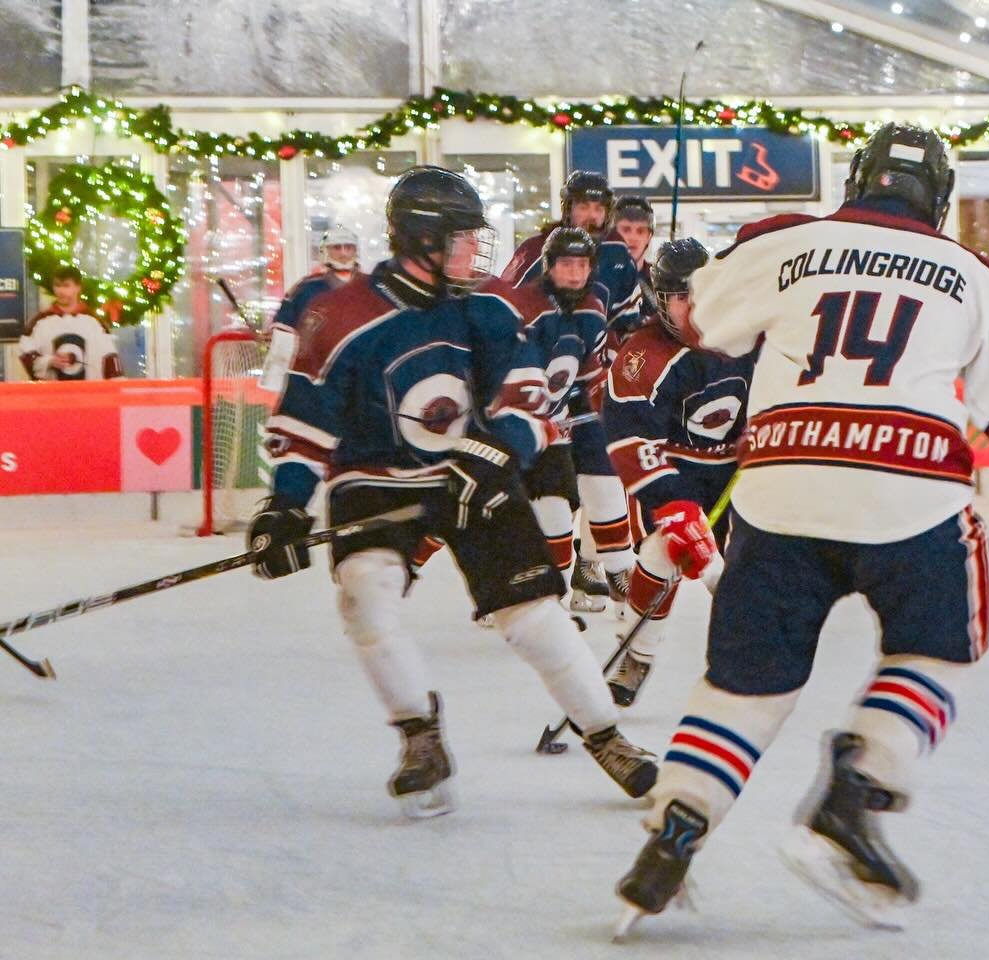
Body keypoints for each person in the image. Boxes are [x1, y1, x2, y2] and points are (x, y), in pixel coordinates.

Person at [613, 124, 989, 934]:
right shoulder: (971, 272)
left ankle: (679, 819)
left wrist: (761, 263)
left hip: (782, 490)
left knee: (748, 683)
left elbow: (707, 318)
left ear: (858, 179)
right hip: (911, 497)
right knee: (936, 650)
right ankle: (857, 787)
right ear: (939, 194)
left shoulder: (791, 243)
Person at [249, 166, 656, 818]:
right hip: (375, 483)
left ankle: (607, 735)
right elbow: (303, 422)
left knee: (532, 616)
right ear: (423, 241)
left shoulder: (488, 306)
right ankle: (419, 736)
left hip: (473, 472)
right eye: (464, 239)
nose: (476, 253)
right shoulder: (341, 315)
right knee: (366, 599)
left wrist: (493, 453)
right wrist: (285, 506)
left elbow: (527, 397)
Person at [601, 238, 752, 707]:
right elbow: (629, 438)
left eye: (700, 292)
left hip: (740, 474)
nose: (695, 306)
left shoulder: (748, 333)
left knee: (754, 565)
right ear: (659, 300)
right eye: (681, 297)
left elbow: (787, 385)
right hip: (678, 471)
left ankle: (753, 660)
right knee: (666, 549)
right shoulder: (642, 355)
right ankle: (638, 650)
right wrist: (674, 505)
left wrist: (765, 430)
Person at [502, 170, 643, 616]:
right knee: (540, 493)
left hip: (584, 380)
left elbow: (626, 324)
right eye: (583, 205)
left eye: (599, 207)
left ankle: (602, 566)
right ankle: (520, 581)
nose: (592, 215)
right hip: (532, 388)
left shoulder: (617, 255)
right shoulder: (535, 252)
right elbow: (506, 313)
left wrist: (621, 370)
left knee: (602, 474)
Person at [260, 225, 366, 391]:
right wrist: (277, 370)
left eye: (349, 247)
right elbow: (284, 330)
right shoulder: (305, 289)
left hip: (362, 372)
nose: (344, 253)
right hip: (316, 374)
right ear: (325, 251)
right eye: (337, 247)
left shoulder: (372, 287)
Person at [17, 266, 121, 381]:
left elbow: (110, 361)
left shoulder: (94, 322)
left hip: (89, 394)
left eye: (66, 285)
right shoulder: (40, 322)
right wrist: (49, 361)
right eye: (57, 285)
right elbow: (26, 352)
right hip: (53, 394)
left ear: (78, 287)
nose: (60, 291)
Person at [613, 195, 656, 277]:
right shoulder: (594, 278)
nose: (633, 238)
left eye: (640, 231)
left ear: (649, 237)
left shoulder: (662, 281)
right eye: (626, 230)